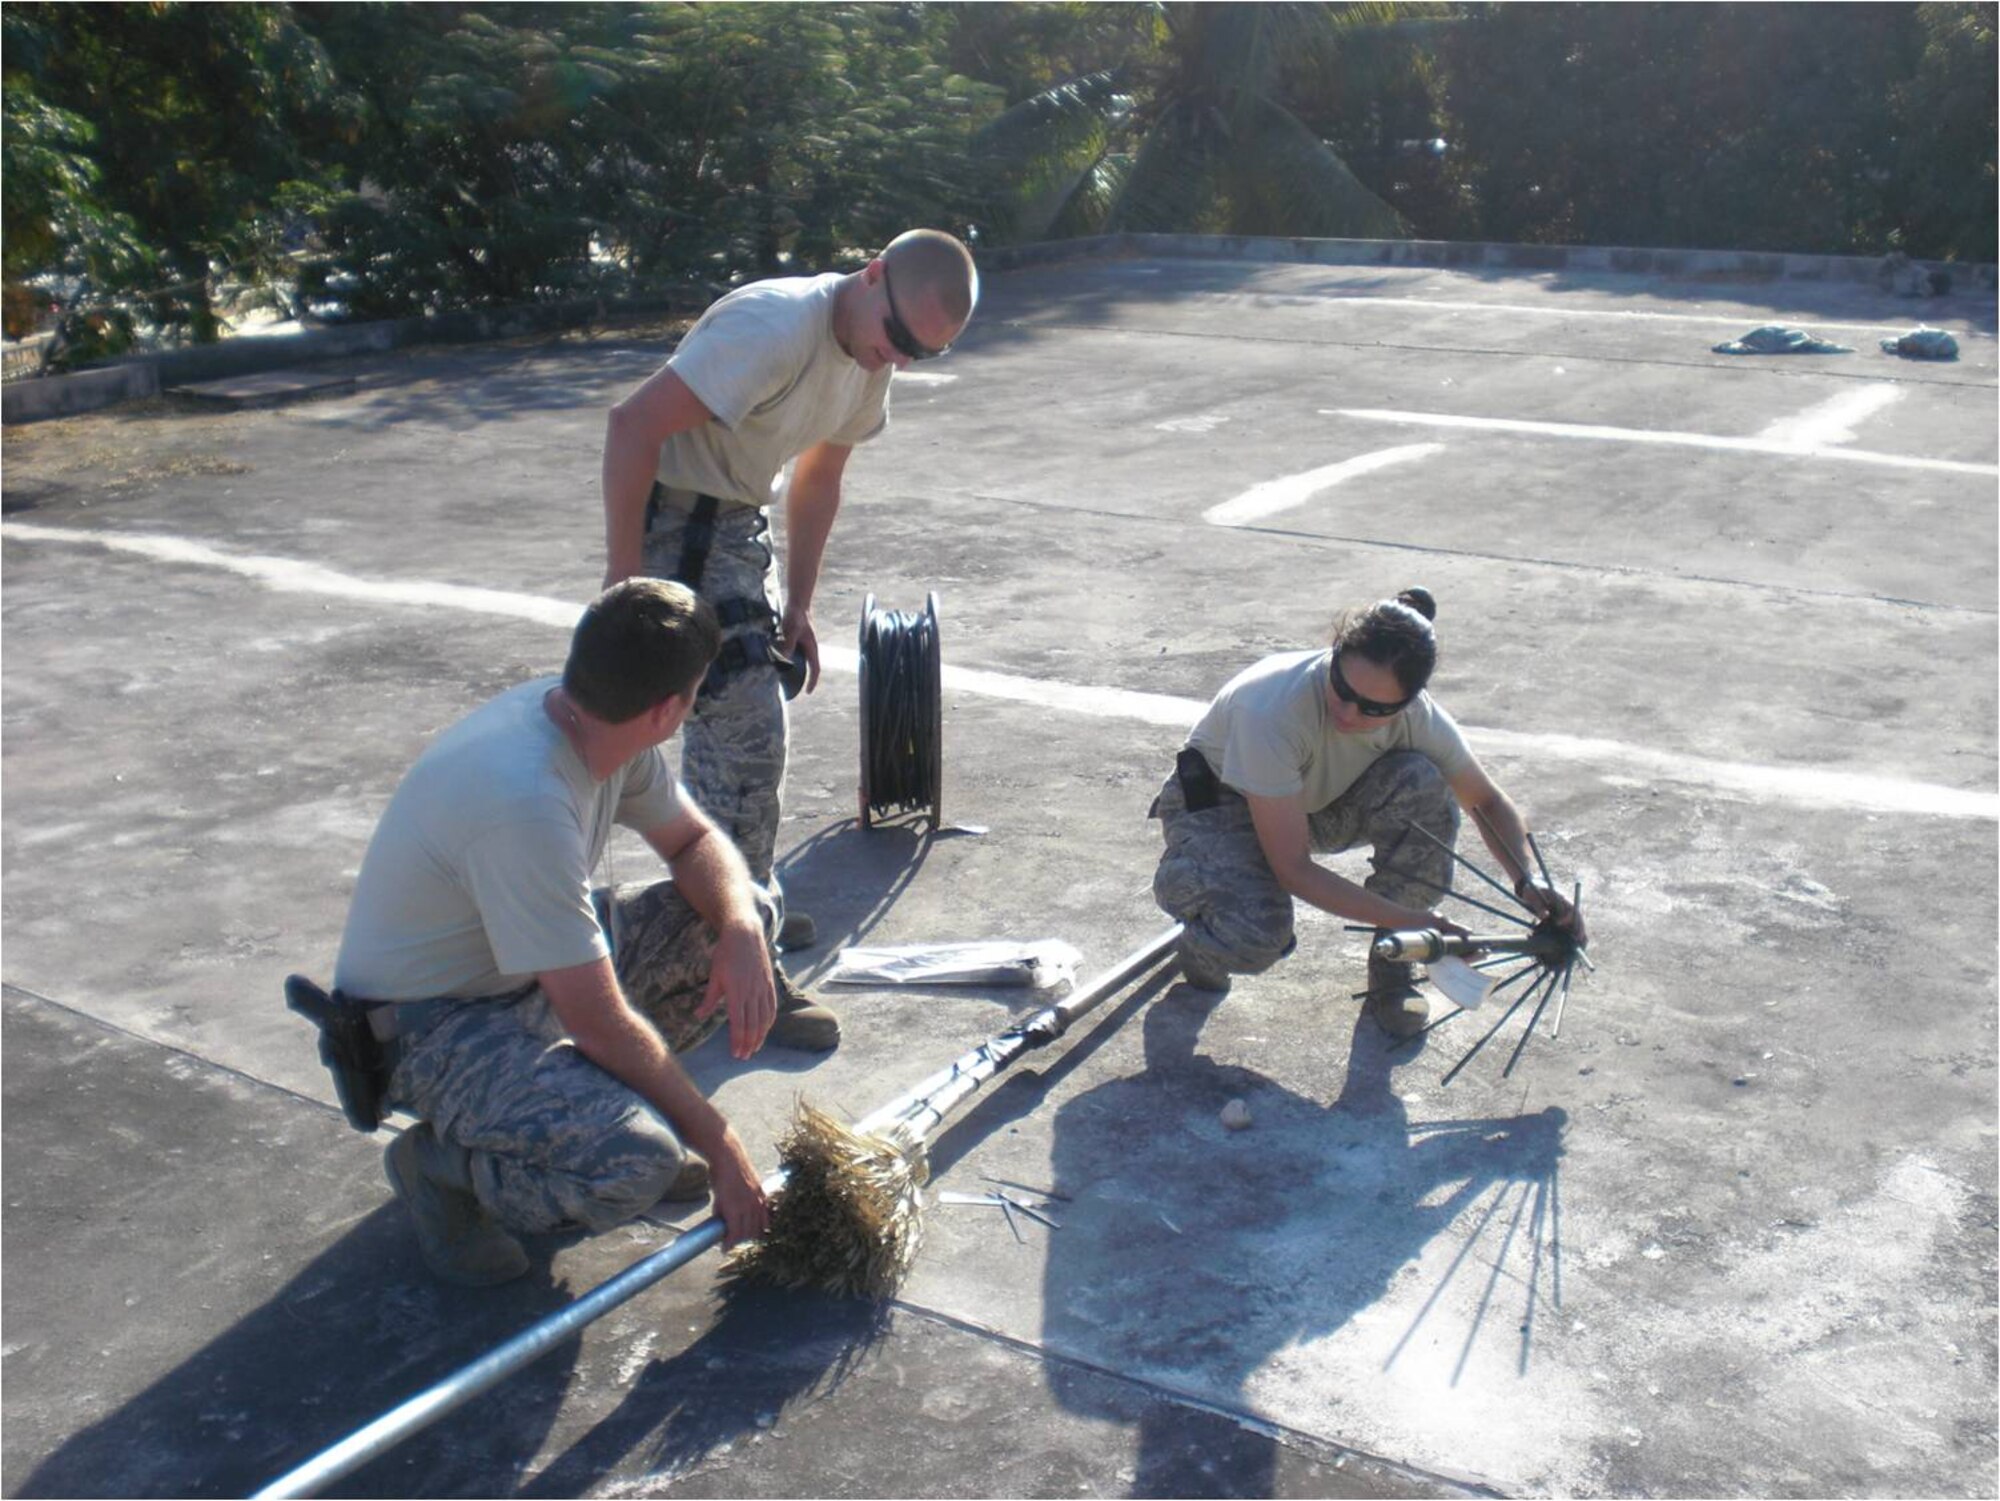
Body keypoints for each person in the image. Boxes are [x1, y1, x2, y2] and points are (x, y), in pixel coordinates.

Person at [333, 579, 788, 1285]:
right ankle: (442, 1170)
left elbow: (695, 842)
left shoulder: (600, 718)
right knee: (631, 1168)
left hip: (514, 977)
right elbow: (600, 1022)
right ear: (669, 708)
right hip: (428, 1027)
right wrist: (722, 1145)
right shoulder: (525, 803)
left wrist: (738, 927)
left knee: (739, 920)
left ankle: (594, 1118)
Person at [599, 228, 979, 1046]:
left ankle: (741, 915)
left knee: (748, 750)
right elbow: (632, 427)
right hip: (669, 524)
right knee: (742, 743)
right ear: (872, 275)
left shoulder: (868, 359)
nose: (900, 360)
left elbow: (818, 477)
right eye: (901, 337)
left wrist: (798, 604)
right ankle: (733, 962)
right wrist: (625, 589)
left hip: (736, 533)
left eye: (923, 353)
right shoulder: (774, 328)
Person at [1150, 587, 1586, 1039]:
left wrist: (1526, 881)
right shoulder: (1270, 708)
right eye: (1342, 689)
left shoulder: (1419, 717)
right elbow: (1294, 869)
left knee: (1422, 783)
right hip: (1219, 802)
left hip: (1311, 804)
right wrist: (1416, 920)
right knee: (1258, 934)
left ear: (1409, 701)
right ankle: (1195, 914)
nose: (1348, 712)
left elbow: (1486, 802)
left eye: (1375, 709)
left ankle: (1393, 962)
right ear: (1335, 652)